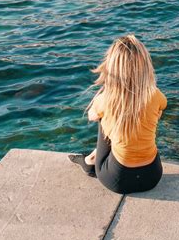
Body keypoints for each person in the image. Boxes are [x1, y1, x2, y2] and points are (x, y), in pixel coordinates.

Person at [69, 35, 167, 194]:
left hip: (117, 180)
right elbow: (163, 106)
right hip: (152, 176)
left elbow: (92, 116)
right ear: (146, 66)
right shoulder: (155, 94)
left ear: (112, 67)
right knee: (153, 112)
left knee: (103, 117)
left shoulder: (106, 99)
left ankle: (90, 160)